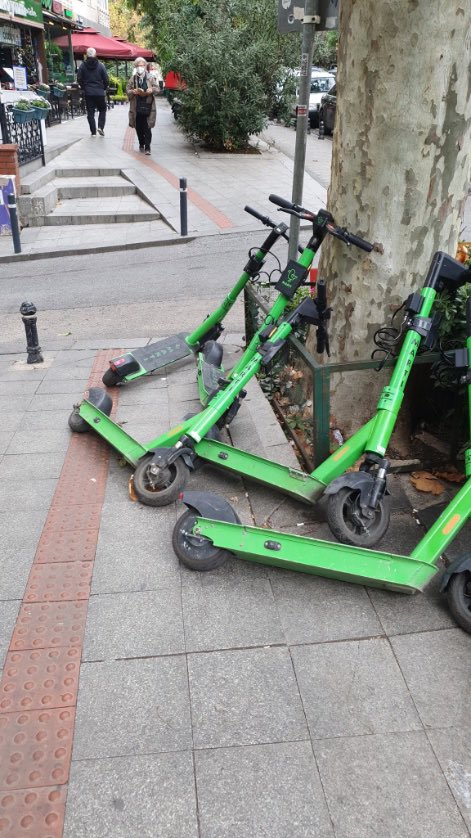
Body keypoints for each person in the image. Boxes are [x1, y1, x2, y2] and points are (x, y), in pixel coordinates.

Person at [126, 56, 158, 155]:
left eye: (142, 65)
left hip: (148, 106)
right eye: (138, 65)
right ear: (136, 67)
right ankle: (141, 143)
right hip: (137, 106)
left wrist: (151, 89)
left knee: (147, 127)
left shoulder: (151, 77)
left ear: (145, 66)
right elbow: (127, 90)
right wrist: (133, 91)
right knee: (138, 127)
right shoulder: (133, 78)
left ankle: (148, 147)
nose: (140, 67)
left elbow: (157, 89)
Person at [77, 47, 109, 137]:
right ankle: (100, 127)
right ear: (95, 55)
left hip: (88, 93)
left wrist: (84, 87)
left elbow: (79, 78)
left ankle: (93, 132)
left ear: (86, 55)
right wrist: (104, 88)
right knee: (102, 109)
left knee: (90, 112)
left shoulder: (83, 66)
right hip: (99, 92)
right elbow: (106, 79)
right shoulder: (100, 65)